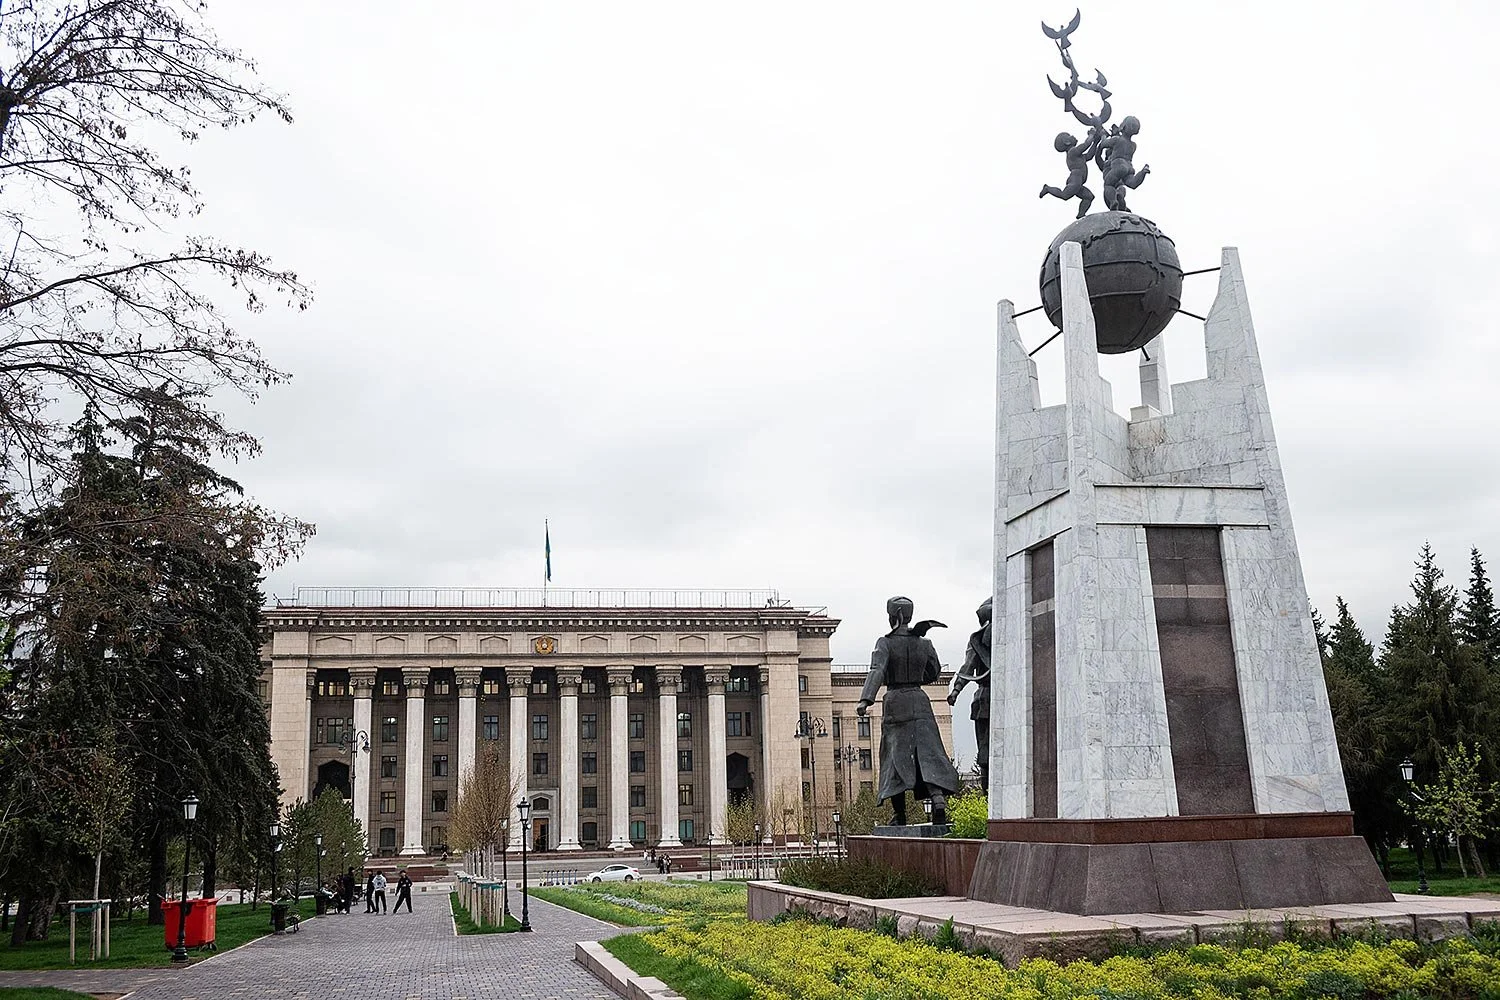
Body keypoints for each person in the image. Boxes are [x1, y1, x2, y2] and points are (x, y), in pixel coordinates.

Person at [857, 596, 961, 826]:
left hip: (895, 702)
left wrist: (866, 700)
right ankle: (938, 800)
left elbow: (877, 670)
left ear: (893, 616)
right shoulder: (925, 643)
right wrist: (917, 678)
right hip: (920, 700)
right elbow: (933, 673)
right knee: (929, 754)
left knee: (894, 758)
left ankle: (900, 814)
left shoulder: (885, 643)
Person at [948, 596, 993, 788]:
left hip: (986, 699)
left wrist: (956, 691)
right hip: (987, 699)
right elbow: (968, 668)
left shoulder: (978, 639)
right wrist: (956, 690)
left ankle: (989, 797)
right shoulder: (979, 641)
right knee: (986, 755)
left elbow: (967, 667)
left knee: (986, 755)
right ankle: (990, 799)